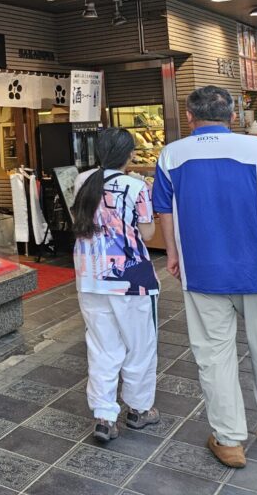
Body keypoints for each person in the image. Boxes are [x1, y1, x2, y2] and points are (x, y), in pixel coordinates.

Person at [153, 86, 257, 469]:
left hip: (202, 273)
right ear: (232, 115)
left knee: (213, 355)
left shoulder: (172, 154)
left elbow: (164, 213)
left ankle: (229, 439)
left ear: (189, 117)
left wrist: (172, 253)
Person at [70, 128, 161, 442]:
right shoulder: (136, 186)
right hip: (131, 278)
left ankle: (104, 416)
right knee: (140, 345)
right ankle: (138, 409)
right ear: (130, 154)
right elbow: (148, 235)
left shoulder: (83, 181)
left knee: (102, 347)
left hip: (89, 278)